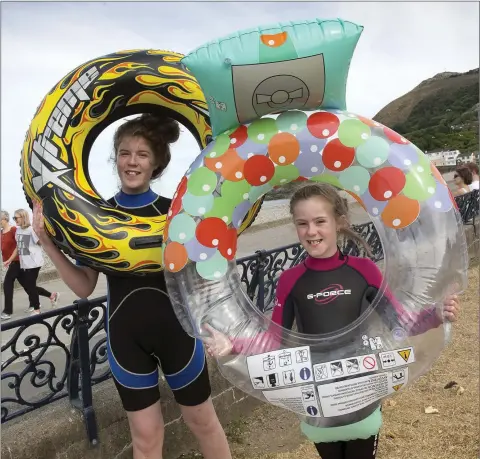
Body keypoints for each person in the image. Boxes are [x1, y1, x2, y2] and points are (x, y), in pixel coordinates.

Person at [204, 183, 461, 459]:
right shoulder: (290, 280)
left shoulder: (364, 270)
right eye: (302, 223)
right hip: (317, 394)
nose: (311, 231)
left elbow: (399, 323)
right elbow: (273, 340)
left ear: (339, 223)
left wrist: (435, 315)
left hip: (362, 388)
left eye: (319, 221)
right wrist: (232, 345)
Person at [32, 114, 232, 459]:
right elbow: (83, 286)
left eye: (141, 154)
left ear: (155, 163)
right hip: (126, 342)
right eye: (125, 153)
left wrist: (216, 326)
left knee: (203, 423)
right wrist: (48, 245)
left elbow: (203, 278)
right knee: (145, 437)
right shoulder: (97, 219)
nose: (132, 161)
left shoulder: (175, 214)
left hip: (179, 334)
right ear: (115, 160)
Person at [2, 209, 59, 317]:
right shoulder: (18, 231)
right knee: (29, 286)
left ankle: (37, 309)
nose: (14, 220)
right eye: (14, 218)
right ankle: (52, 295)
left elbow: (41, 242)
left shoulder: (30, 230)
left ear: (23, 217)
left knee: (30, 286)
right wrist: (9, 260)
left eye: (16, 218)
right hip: (25, 264)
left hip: (35, 263)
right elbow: (19, 248)